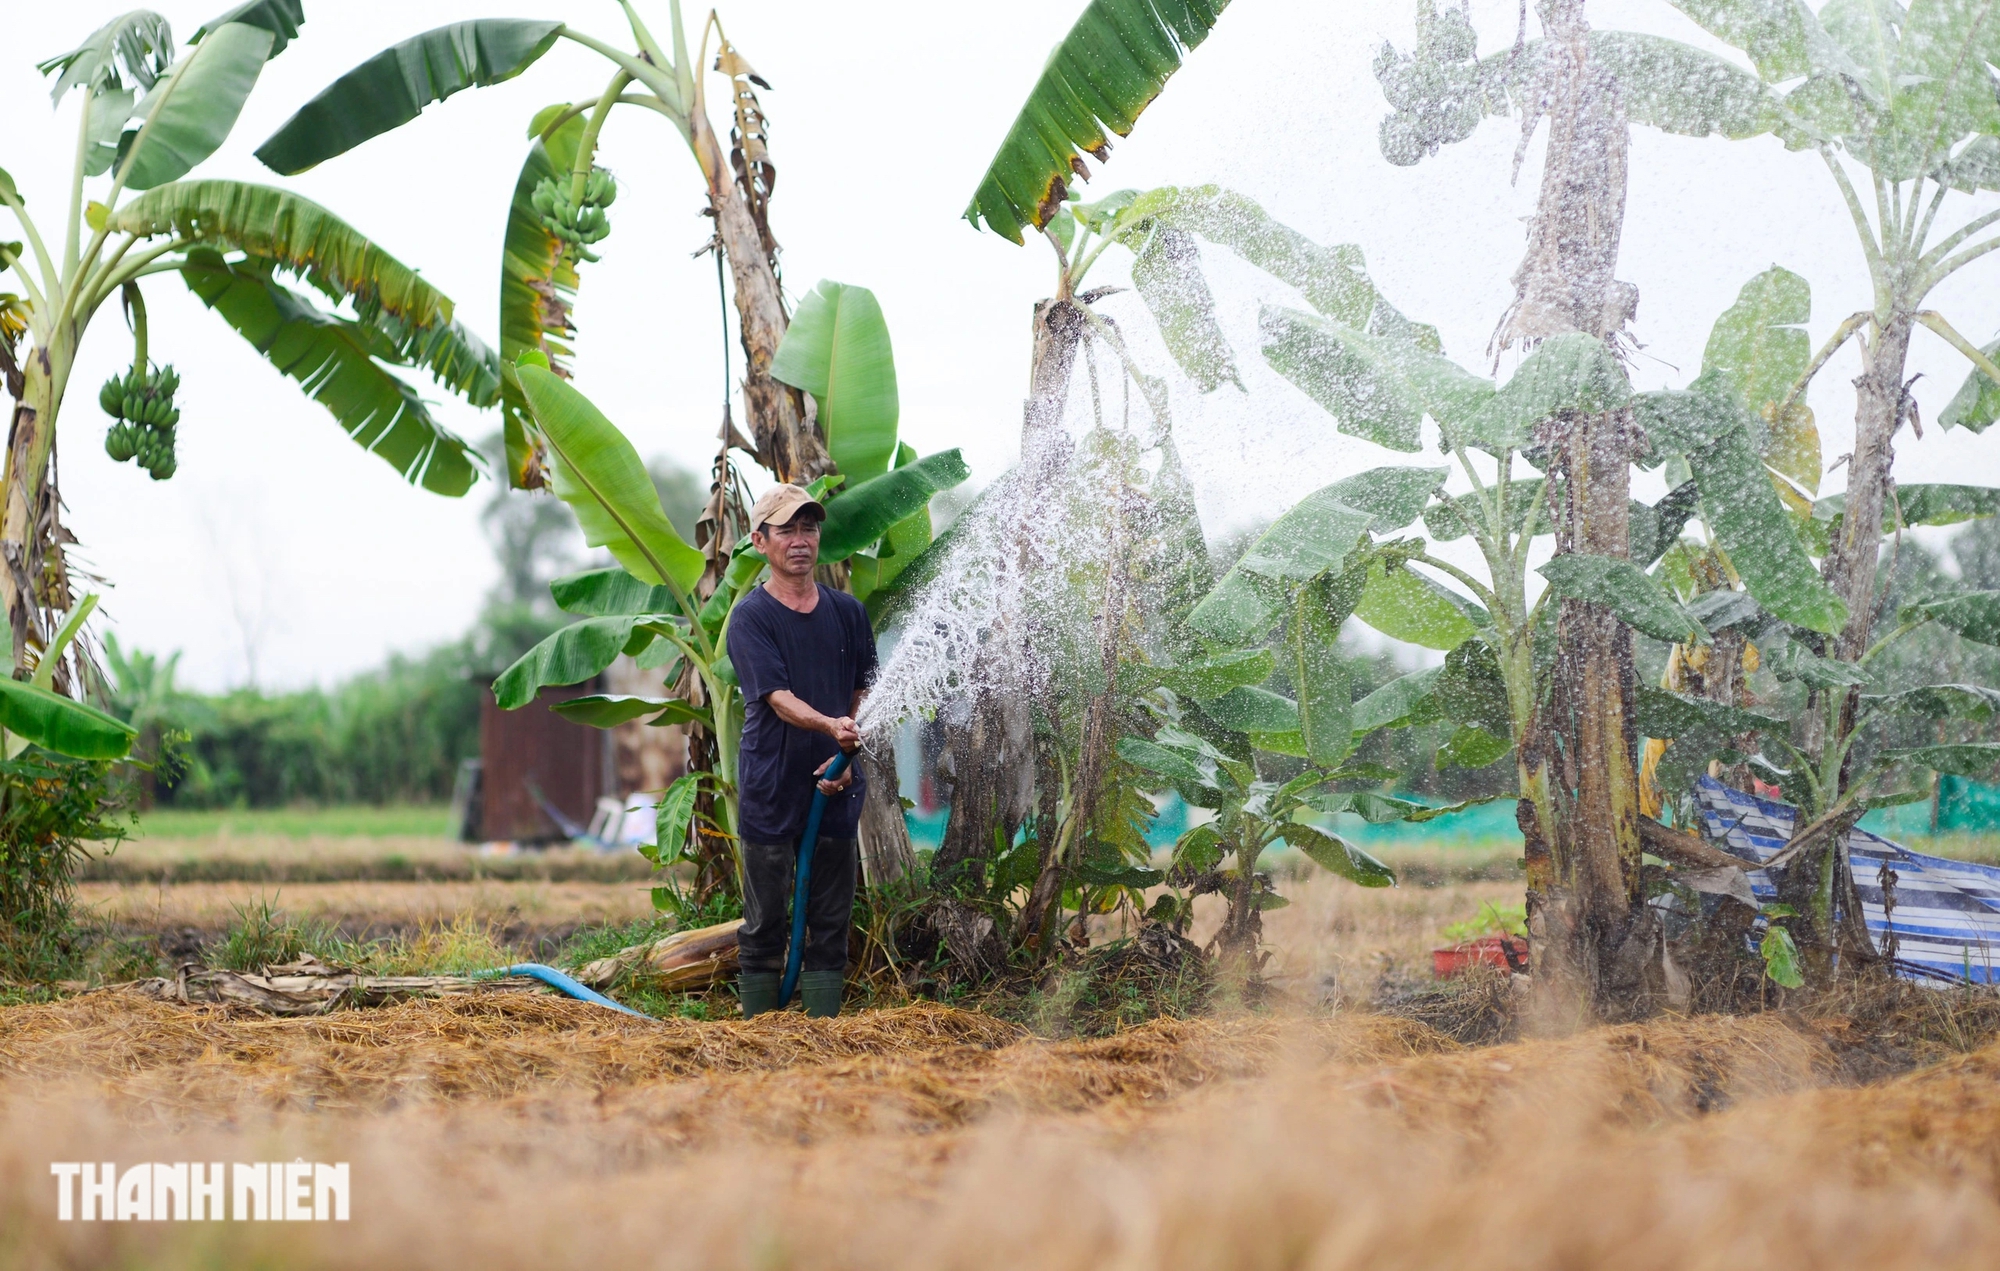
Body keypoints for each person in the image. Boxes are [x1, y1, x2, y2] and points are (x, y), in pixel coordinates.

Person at [726, 483, 877, 1018]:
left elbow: (862, 689)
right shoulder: (751, 618)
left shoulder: (848, 614)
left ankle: (823, 1031)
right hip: (773, 782)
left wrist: (846, 752)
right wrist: (830, 727)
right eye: (786, 529)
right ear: (759, 541)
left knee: (830, 918)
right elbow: (778, 699)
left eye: (808, 527)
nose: (800, 540)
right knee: (766, 919)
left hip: (836, 783)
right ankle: (759, 1033)